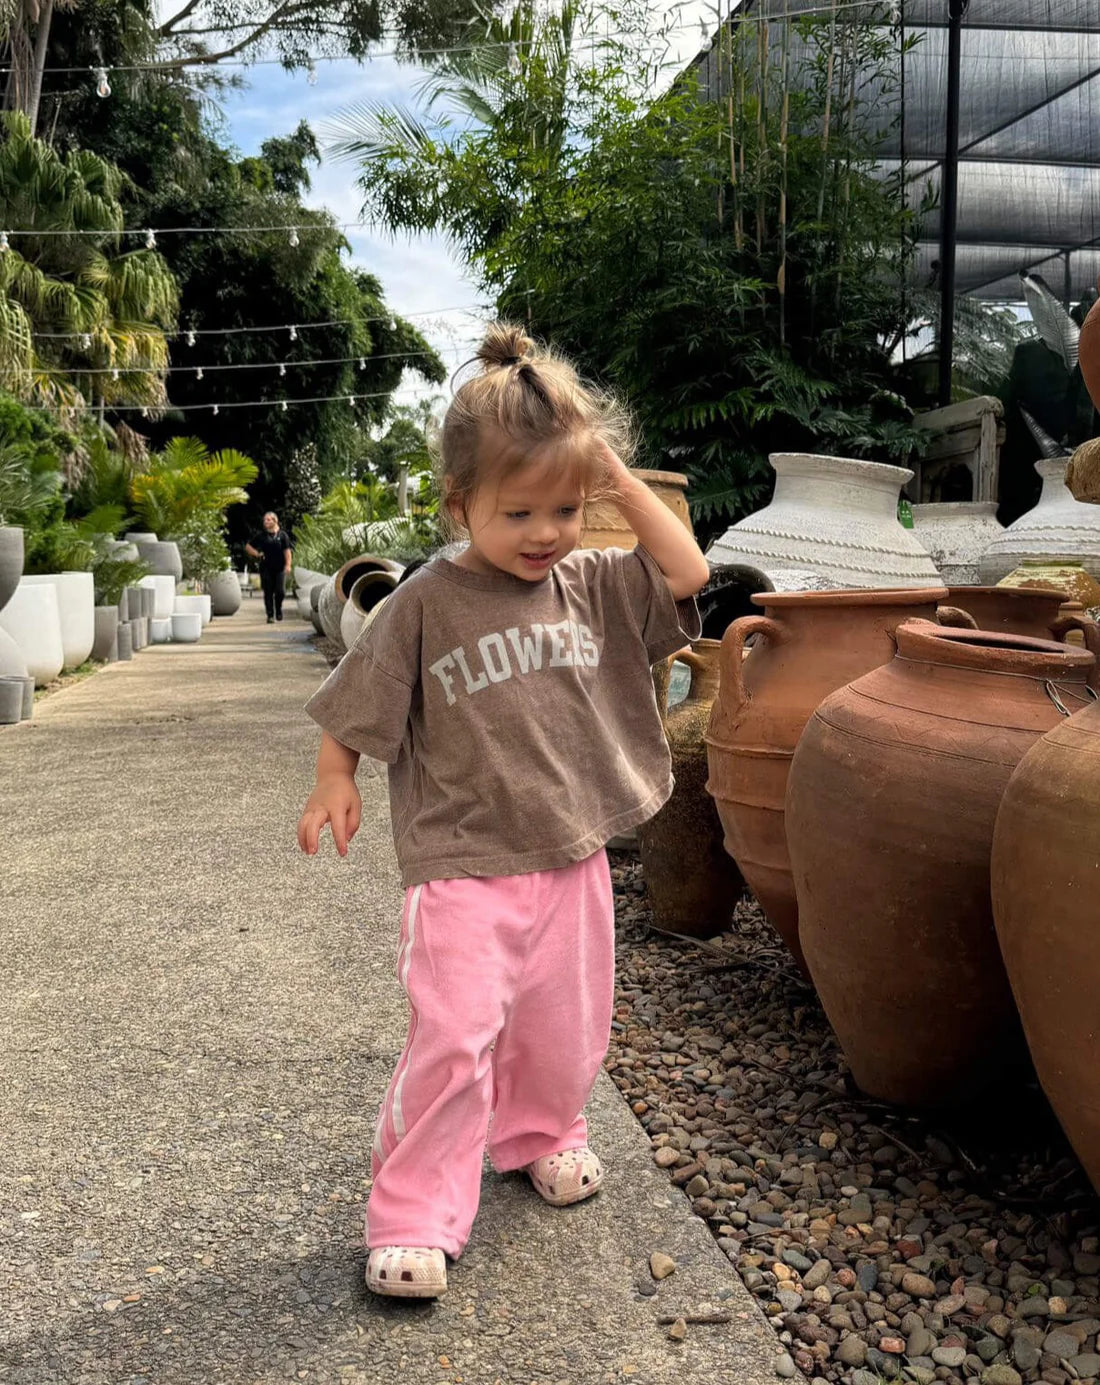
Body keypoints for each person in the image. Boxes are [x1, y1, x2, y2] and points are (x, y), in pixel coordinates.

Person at [296, 323, 710, 1300]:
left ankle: (543, 1133)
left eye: (564, 507)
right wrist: (334, 775)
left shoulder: (592, 583)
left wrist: (601, 466)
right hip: (462, 866)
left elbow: (688, 573)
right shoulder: (426, 600)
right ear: (457, 503)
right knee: (455, 1033)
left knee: (564, 1030)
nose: (543, 532)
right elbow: (357, 699)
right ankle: (411, 1211)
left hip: (569, 859)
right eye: (516, 509)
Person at [245, 512, 292, 623]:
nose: (265, 522)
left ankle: (278, 609)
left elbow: (287, 551)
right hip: (266, 568)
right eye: (265, 520)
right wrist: (257, 554)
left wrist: (288, 565)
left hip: (280, 568)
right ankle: (270, 615)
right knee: (268, 592)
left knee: (280, 592)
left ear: (275, 521)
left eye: (268, 520)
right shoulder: (261, 536)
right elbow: (248, 546)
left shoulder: (282, 536)